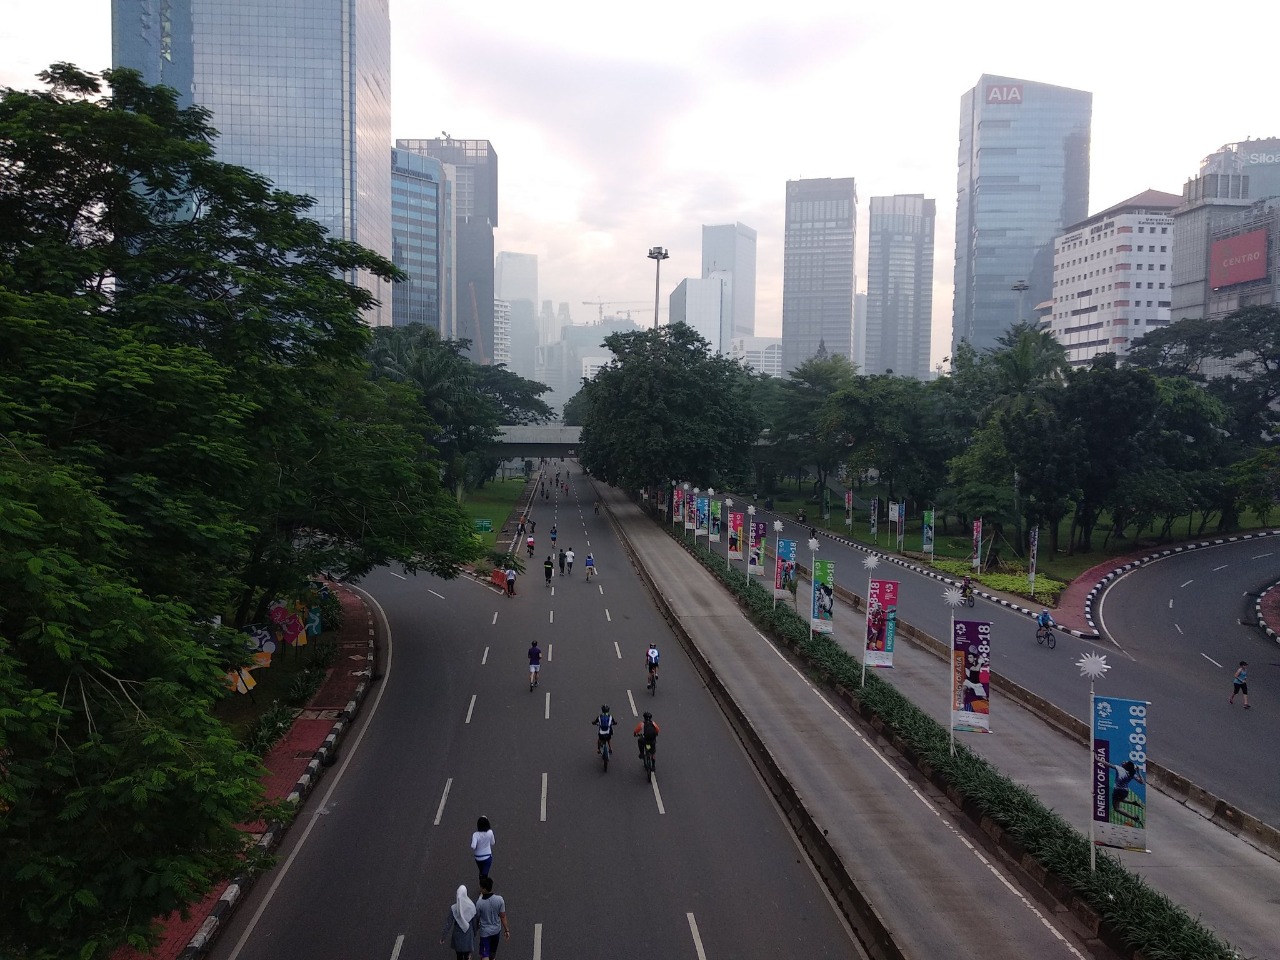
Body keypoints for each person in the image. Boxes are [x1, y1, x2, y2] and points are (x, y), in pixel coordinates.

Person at [474, 876, 510, 959]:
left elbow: (477, 918)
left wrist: (475, 929)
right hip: (496, 930)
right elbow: (503, 916)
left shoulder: (479, 903)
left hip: (485, 932)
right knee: (493, 952)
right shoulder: (500, 899)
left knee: (485, 955)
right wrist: (507, 930)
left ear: (483, 889)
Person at [440, 884, 477, 960]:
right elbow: (474, 922)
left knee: (459, 956)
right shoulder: (471, 906)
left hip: (457, 936)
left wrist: (443, 936)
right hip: (468, 935)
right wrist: (474, 933)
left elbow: (448, 923)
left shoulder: (454, 908)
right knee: (466, 954)